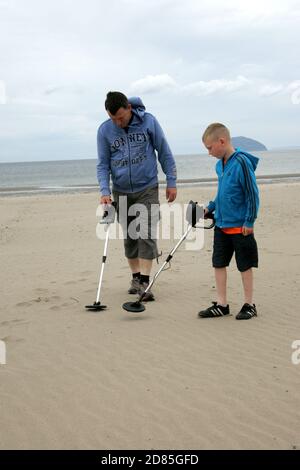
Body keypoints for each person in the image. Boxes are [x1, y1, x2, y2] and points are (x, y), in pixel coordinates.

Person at [97, 91, 177, 301]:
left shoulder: (148, 122)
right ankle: (135, 278)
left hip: (147, 187)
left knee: (146, 233)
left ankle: (145, 281)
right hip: (121, 190)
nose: (118, 123)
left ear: (129, 109)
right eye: (113, 119)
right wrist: (105, 191)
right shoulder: (105, 130)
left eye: (121, 118)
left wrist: (171, 181)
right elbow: (103, 164)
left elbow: (164, 152)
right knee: (131, 236)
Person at [198, 123, 259, 320]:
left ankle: (249, 304)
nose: (209, 153)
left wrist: (249, 222)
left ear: (221, 141)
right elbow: (222, 194)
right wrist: (210, 208)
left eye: (209, 148)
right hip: (222, 225)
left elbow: (252, 194)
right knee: (219, 263)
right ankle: (222, 304)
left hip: (240, 227)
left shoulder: (241, 162)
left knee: (245, 265)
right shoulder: (220, 165)